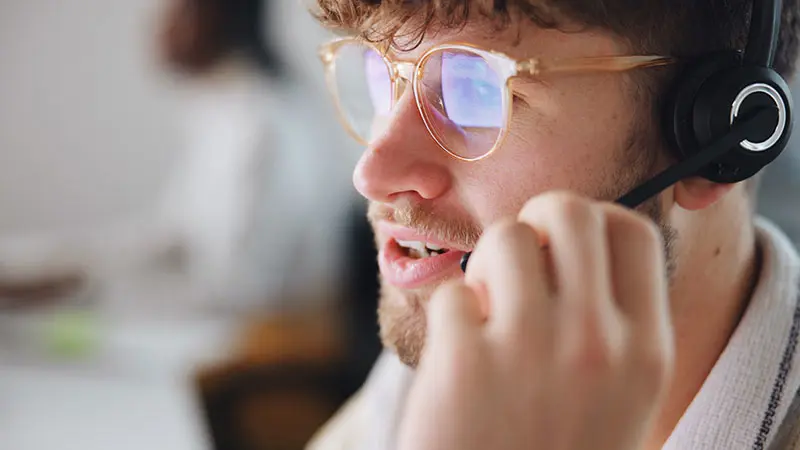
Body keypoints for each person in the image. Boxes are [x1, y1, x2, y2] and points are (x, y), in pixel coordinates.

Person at [303, 0, 800, 448]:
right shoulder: (431, 379)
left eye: (474, 89)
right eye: (378, 70)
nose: (371, 174)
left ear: (719, 138)